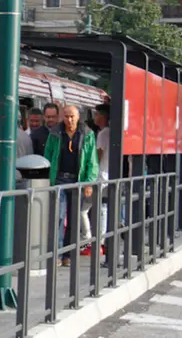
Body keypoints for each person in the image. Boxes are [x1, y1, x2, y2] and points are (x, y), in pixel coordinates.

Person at [43, 105, 98, 267]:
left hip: (77, 181)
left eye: (72, 116)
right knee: (58, 217)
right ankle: (57, 254)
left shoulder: (87, 134)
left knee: (74, 218)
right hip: (59, 179)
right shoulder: (55, 134)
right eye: (66, 116)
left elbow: (92, 161)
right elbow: (48, 155)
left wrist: (88, 182)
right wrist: (47, 180)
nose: (69, 120)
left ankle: (69, 254)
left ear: (78, 117)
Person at [81, 104, 110, 255]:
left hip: (99, 176)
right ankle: (101, 241)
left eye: (97, 114)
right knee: (102, 209)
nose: (95, 117)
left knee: (83, 209)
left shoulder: (103, 134)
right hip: (107, 175)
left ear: (103, 116)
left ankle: (90, 241)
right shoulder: (109, 132)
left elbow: (97, 155)